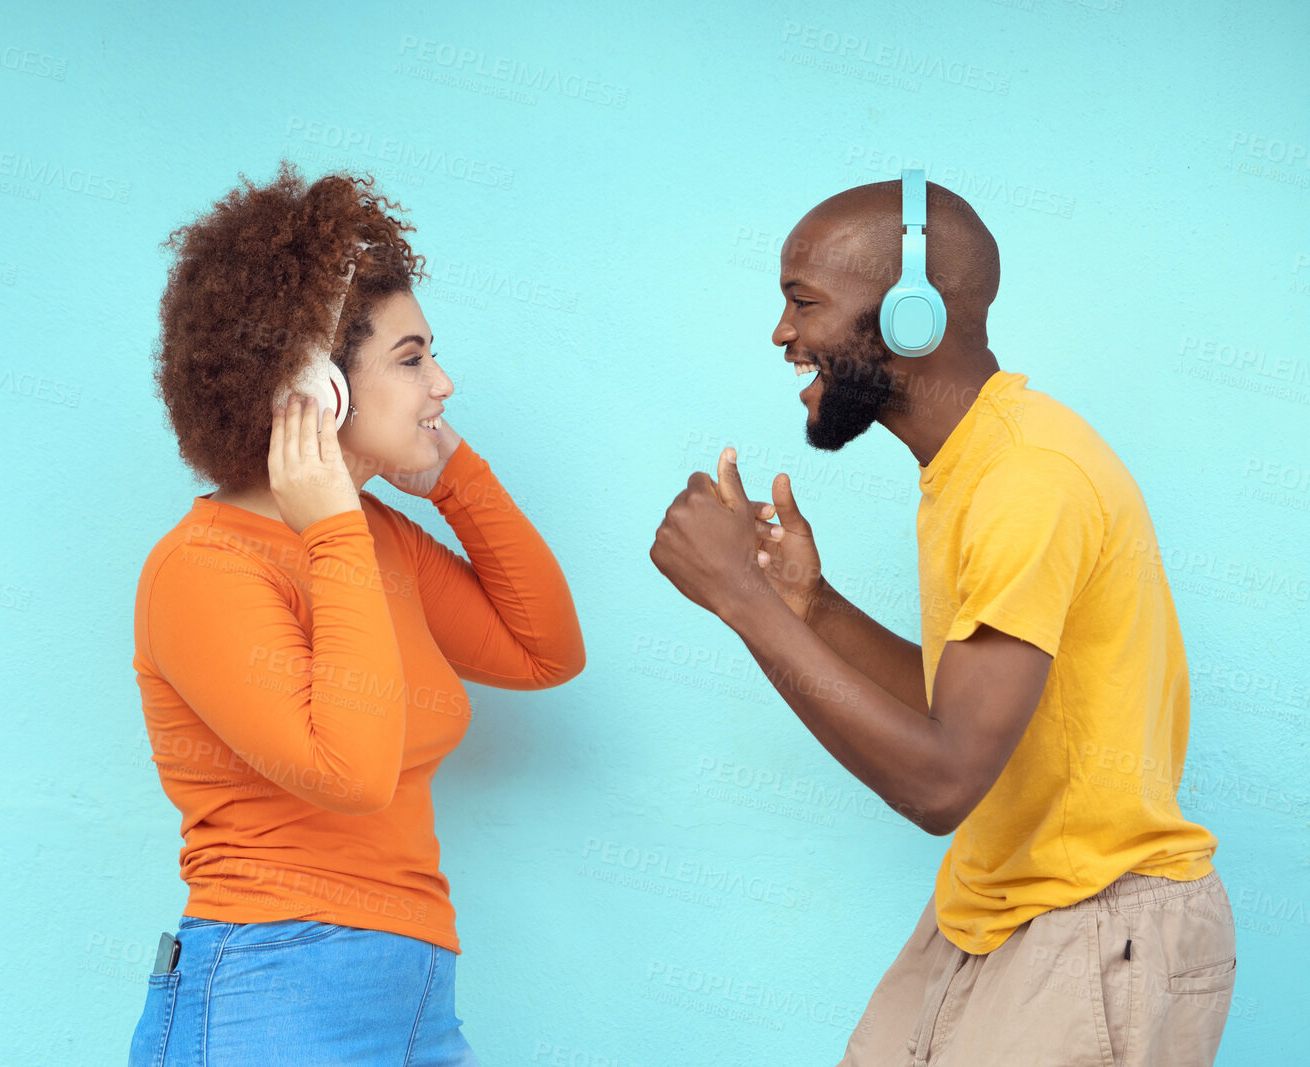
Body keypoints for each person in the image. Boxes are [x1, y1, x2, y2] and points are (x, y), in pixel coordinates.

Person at [648, 177, 1233, 1065]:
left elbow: (941, 781)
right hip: (994, 905)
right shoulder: (974, 462)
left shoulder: (1026, 480)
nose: (782, 334)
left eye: (803, 303)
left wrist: (741, 600)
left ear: (911, 319)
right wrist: (809, 605)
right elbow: (957, 712)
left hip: (1095, 920)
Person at [129, 161, 586, 1066]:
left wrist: (453, 478)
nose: (442, 383)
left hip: (416, 988)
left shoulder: (377, 540)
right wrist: (334, 526)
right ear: (313, 386)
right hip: (269, 981)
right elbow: (351, 769)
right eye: (411, 360)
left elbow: (545, 652)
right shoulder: (200, 568)